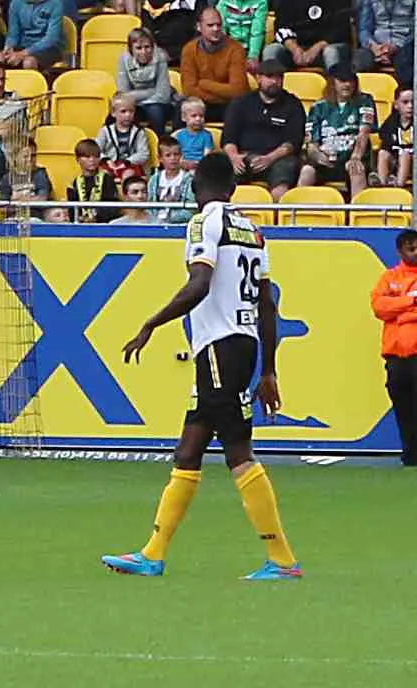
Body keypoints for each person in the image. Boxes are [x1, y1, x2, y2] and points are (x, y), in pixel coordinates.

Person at [102, 149, 300, 581]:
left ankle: (283, 560)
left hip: (218, 348)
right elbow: (267, 305)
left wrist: (151, 323)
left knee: (238, 452)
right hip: (241, 345)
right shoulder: (252, 229)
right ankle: (152, 554)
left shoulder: (205, 221)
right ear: (233, 188)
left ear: (196, 191)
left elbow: (200, 283)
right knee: (190, 448)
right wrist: (268, 368)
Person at [370, 228, 417, 466]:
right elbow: (379, 307)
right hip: (395, 354)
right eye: (411, 249)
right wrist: (410, 301)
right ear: (400, 251)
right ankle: (409, 453)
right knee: (402, 403)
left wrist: (399, 315)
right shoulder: (388, 277)